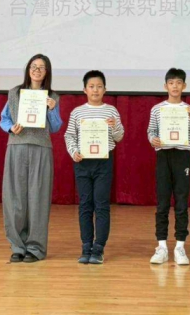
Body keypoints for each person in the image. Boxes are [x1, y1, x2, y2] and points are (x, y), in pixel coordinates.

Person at [0, 54, 63, 263]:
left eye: (41, 67)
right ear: (28, 69)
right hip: (16, 147)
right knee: (14, 198)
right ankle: (17, 246)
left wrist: (52, 109)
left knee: (38, 198)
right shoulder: (14, 93)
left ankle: (35, 248)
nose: (37, 70)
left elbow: (56, 127)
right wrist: (11, 128)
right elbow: (4, 119)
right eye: (34, 66)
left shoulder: (52, 96)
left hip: (41, 148)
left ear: (47, 72)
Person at [64, 70, 124, 265]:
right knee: (85, 204)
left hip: (103, 162)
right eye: (91, 86)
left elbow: (119, 136)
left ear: (105, 89)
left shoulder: (111, 111)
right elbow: (69, 135)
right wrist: (74, 152)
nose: (95, 90)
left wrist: (114, 126)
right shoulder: (77, 112)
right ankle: (86, 246)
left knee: (101, 204)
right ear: (85, 90)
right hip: (83, 162)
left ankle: (98, 248)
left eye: (99, 86)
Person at [148, 68, 190, 266]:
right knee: (162, 202)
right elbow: (151, 132)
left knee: (181, 202)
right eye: (171, 83)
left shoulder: (189, 110)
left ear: (184, 86)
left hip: (182, 156)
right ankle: (161, 246)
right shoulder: (157, 109)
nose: (175, 86)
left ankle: (180, 246)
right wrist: (153, 139)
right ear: (166, 86)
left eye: (179, 82)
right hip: (163, 155)